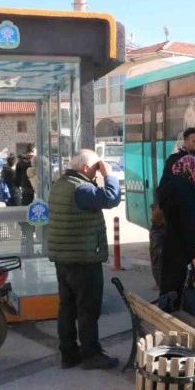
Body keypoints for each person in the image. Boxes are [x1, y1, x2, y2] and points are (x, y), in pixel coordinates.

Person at [48, 149, 122, 370]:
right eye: (96, 167)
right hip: (83, 259)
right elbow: (111, 198)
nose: (97, 172)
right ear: (87, 167)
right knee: (88, 309)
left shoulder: (60, 185)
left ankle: (69, 354)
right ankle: (91, 355)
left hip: (64, 259)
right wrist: (108, 175)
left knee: (67, 307)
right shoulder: (81, 188)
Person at [156, 155, 195, 310]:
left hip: (171, 245)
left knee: (170, 286)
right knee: (183, 290)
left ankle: (166, 315)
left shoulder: (168, 186)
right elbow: (189, 225)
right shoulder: (186, 189)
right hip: (184, 250)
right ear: (189, 169)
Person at [149, 204, 166, 291]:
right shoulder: (160, 230)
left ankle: (160, 283)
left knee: (157, 262)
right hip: (159, 252)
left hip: (158, 253)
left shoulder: (156, 230)